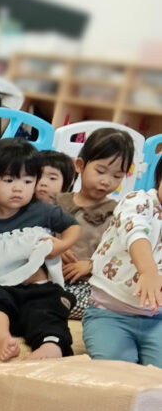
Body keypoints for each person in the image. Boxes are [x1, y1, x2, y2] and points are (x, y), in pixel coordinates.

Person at [0, 140, 81, 361]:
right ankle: (2, 339)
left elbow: (73, 227)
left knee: (50, 310)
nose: (18, 188)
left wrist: (62, 246)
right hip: (1, 289)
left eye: (28, 181)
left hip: (39, 288)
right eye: (9, 180)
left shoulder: (42, 211)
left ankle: (51, 344)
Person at [83, 156, 162, 366]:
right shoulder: (138, 200)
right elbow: (135, 232)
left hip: (157, 321)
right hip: (109, 314)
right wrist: (148, 271)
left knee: (155, 382)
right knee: (117, 371)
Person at [53, 128, 134, 319]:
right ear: (80, 165)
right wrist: (55, 245)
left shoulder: (119, 212)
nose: (106, 181)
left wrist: (91, 265)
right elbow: (36, 233)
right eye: (100, 171)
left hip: (88, 284)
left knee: (96, 303)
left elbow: (122, 253)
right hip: (49, 277)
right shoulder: (57, 202)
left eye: (117, 176)